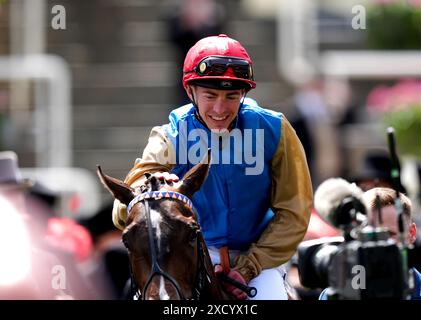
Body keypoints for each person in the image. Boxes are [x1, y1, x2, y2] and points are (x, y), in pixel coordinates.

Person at [112, 34, 313, 300]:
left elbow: (294, 210)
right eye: (210, 95)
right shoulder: (170, 134)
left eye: (231, 96)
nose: (220, 108)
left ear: (243, 93)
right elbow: (123, 209)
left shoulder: (275, 129)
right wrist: (150, 193)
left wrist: (249, 266)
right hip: (188, 254)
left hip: (257, 256)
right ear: (190, 91)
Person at [319, 187, 421, 300]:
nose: (375, 245)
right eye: (365, 236)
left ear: (411, 233)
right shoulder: (334, 296)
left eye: (386, 235)